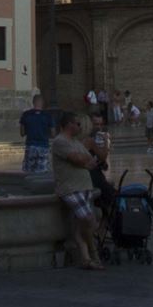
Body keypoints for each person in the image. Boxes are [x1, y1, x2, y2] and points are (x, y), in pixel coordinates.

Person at [51, 112, 102, 270]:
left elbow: (92, 161)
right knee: (89, 220)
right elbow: (79, 159)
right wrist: (83, 161)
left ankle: (86, 259)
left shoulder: (75, 142)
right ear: (69, 125)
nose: (80, 127)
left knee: (81, 227)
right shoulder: (60, 141)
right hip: (71, 189)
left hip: (84, 187)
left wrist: (84, 160)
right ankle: (94, 254)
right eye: (77, 124)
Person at [18, 92, 54, 177]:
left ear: (33, 102)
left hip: (30, 146)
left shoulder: (26, 115)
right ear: (43, 103)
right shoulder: (48, 116)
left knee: (28, 172)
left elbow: (22, 133)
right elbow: (53, 134)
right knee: (42, 173)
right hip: (43, 146)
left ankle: (29, 188)